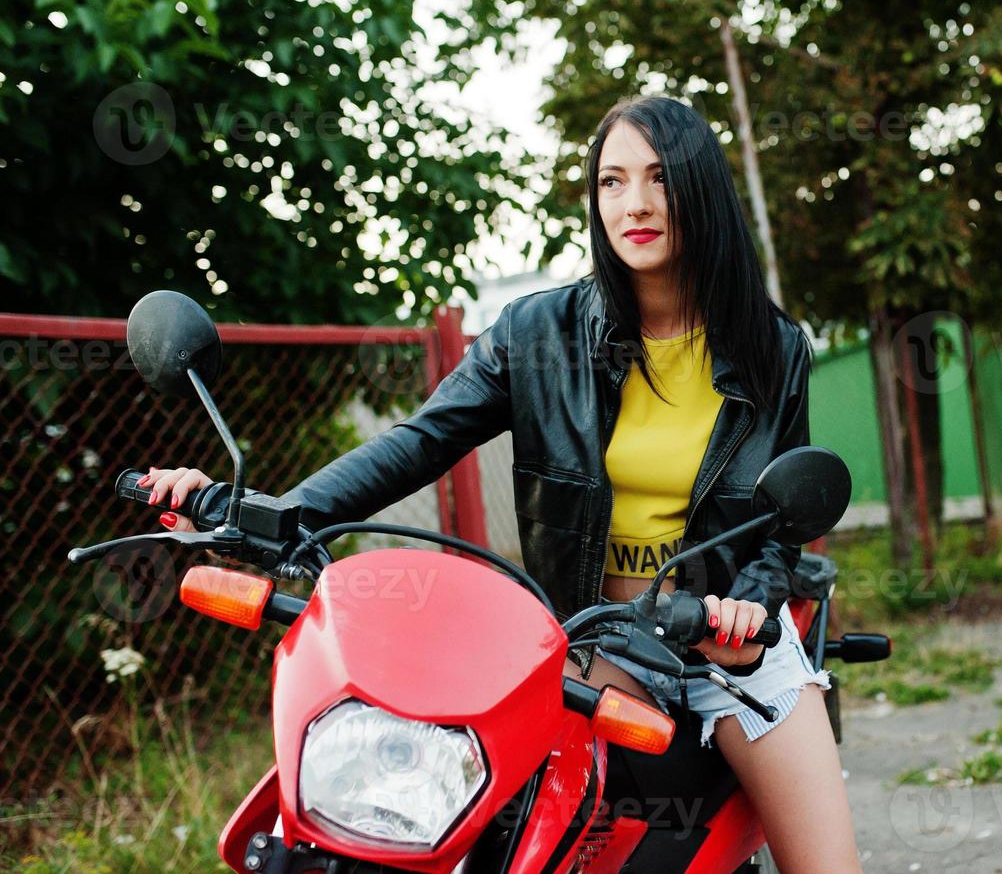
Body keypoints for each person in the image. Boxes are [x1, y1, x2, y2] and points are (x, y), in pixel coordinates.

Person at [143, 96, 863, 872]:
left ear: (701, 192)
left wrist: (747, 615)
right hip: (595, 636)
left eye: (660, 179)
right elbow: (417, 444)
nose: (637, 204)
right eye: (612, 182)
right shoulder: (534, 335)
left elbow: (777, 527)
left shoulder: (770, 345)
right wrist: (270, 514)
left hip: (729, 648)